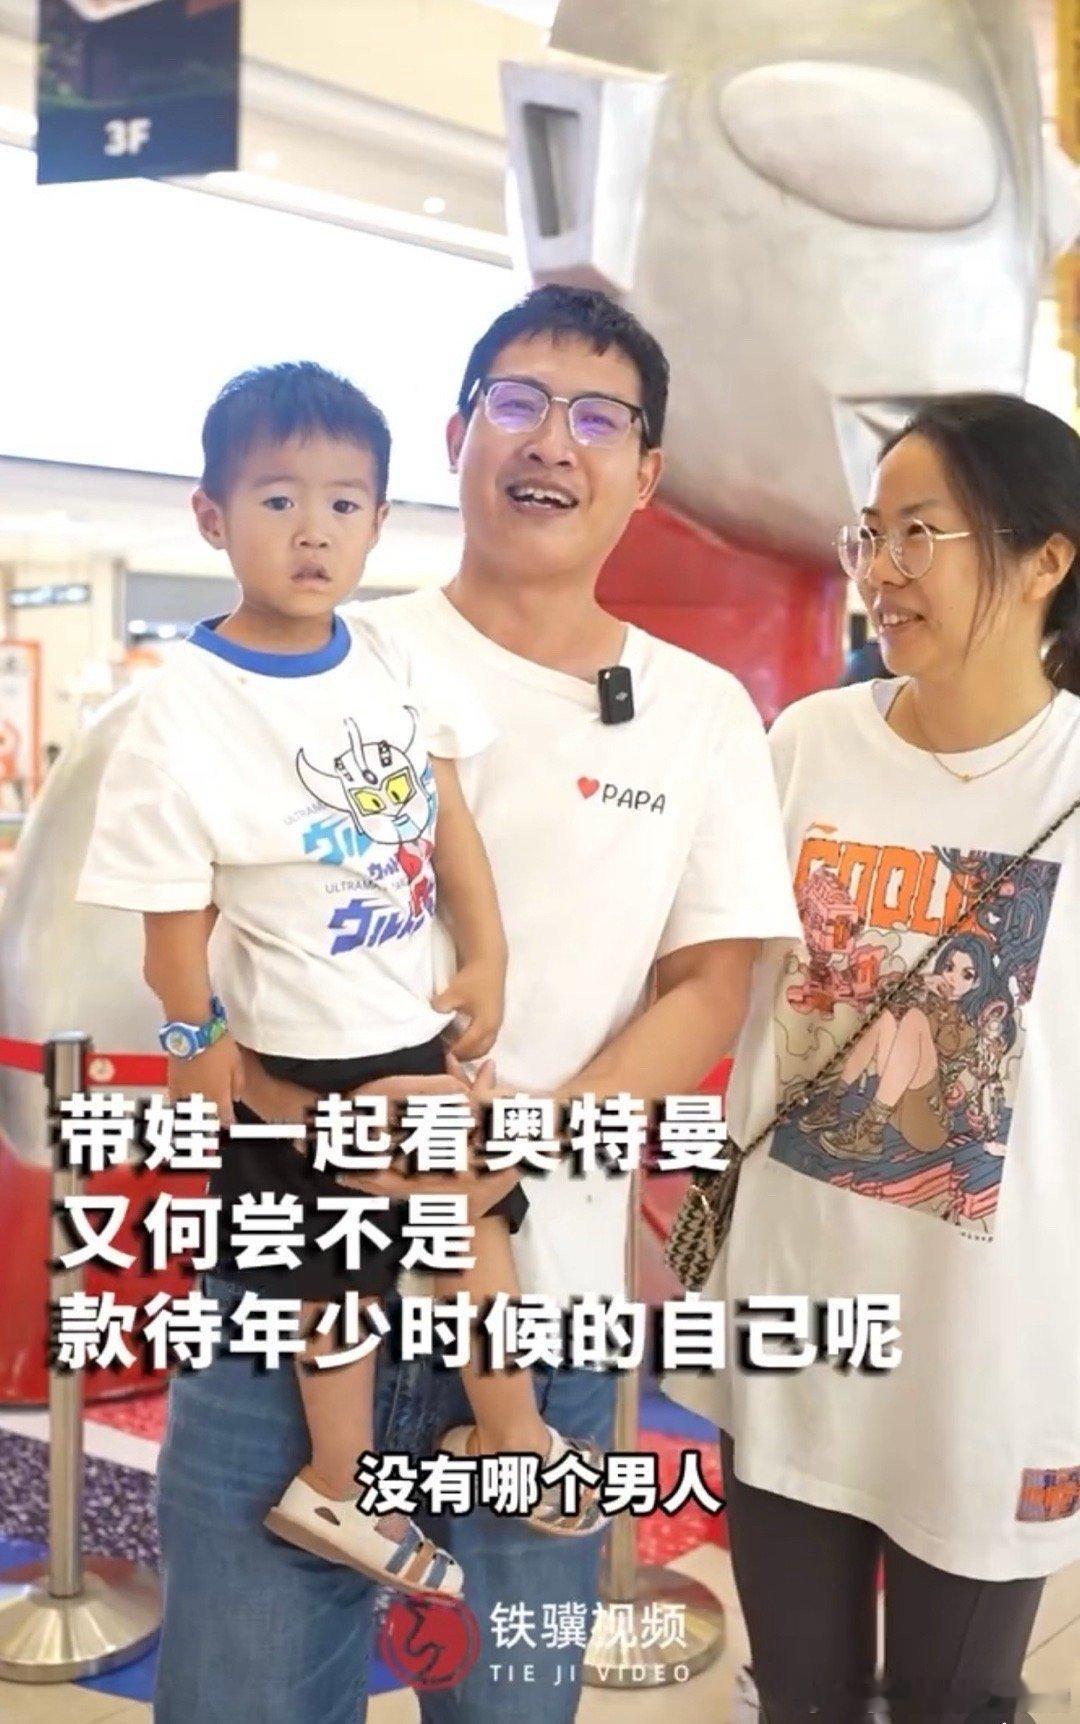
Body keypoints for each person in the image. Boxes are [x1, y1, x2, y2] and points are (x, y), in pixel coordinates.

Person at [150, 286, 800, 1724]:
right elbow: (179, 923)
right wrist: (268, 1087)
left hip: (537, 1313)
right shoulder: (308, 651)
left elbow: (711, 984)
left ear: (648, 472)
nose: (551, 440)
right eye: (517, 401)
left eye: (597, 417)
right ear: (457, 436)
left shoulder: (698, 712)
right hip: (290, 1291)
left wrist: (525, 1136)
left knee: (510, 1707)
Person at [77, 361, 601, 1603]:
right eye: (277, 500)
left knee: (458, 1222)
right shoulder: (181, 708)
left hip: (407, 1025)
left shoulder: (386, 658)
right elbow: (168, 922)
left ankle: (479, 1442)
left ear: (375, 519)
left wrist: (487, 951)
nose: (313, 530)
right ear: (212, 515)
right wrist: (195, 1039)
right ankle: (366, 1474)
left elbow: (448, 818)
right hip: (301, 1045)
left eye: (344, 503)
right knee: (344, 1267)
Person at [668, 394, 1080, 1723]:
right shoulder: (806, 745)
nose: (882, 570)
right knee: (801, 1696)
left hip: (992, 1357)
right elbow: (709, 984)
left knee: (960, 1702)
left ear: (1046, 557)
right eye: (870, 534)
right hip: (795, 1327)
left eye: (922, 533)